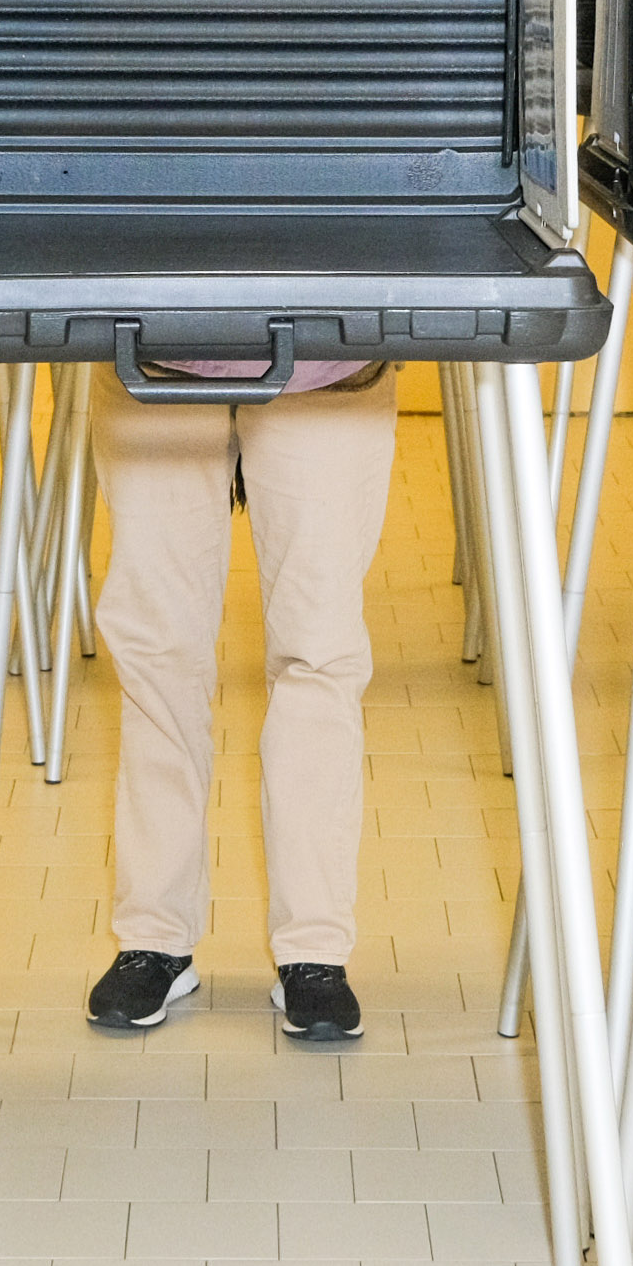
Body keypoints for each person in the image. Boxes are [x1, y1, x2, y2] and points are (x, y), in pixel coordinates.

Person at [82, 355, 396, 1042]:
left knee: (319, 650)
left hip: (330, 353)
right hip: (154, 345)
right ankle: (154, 935)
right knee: (158, 651)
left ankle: (314, 950)